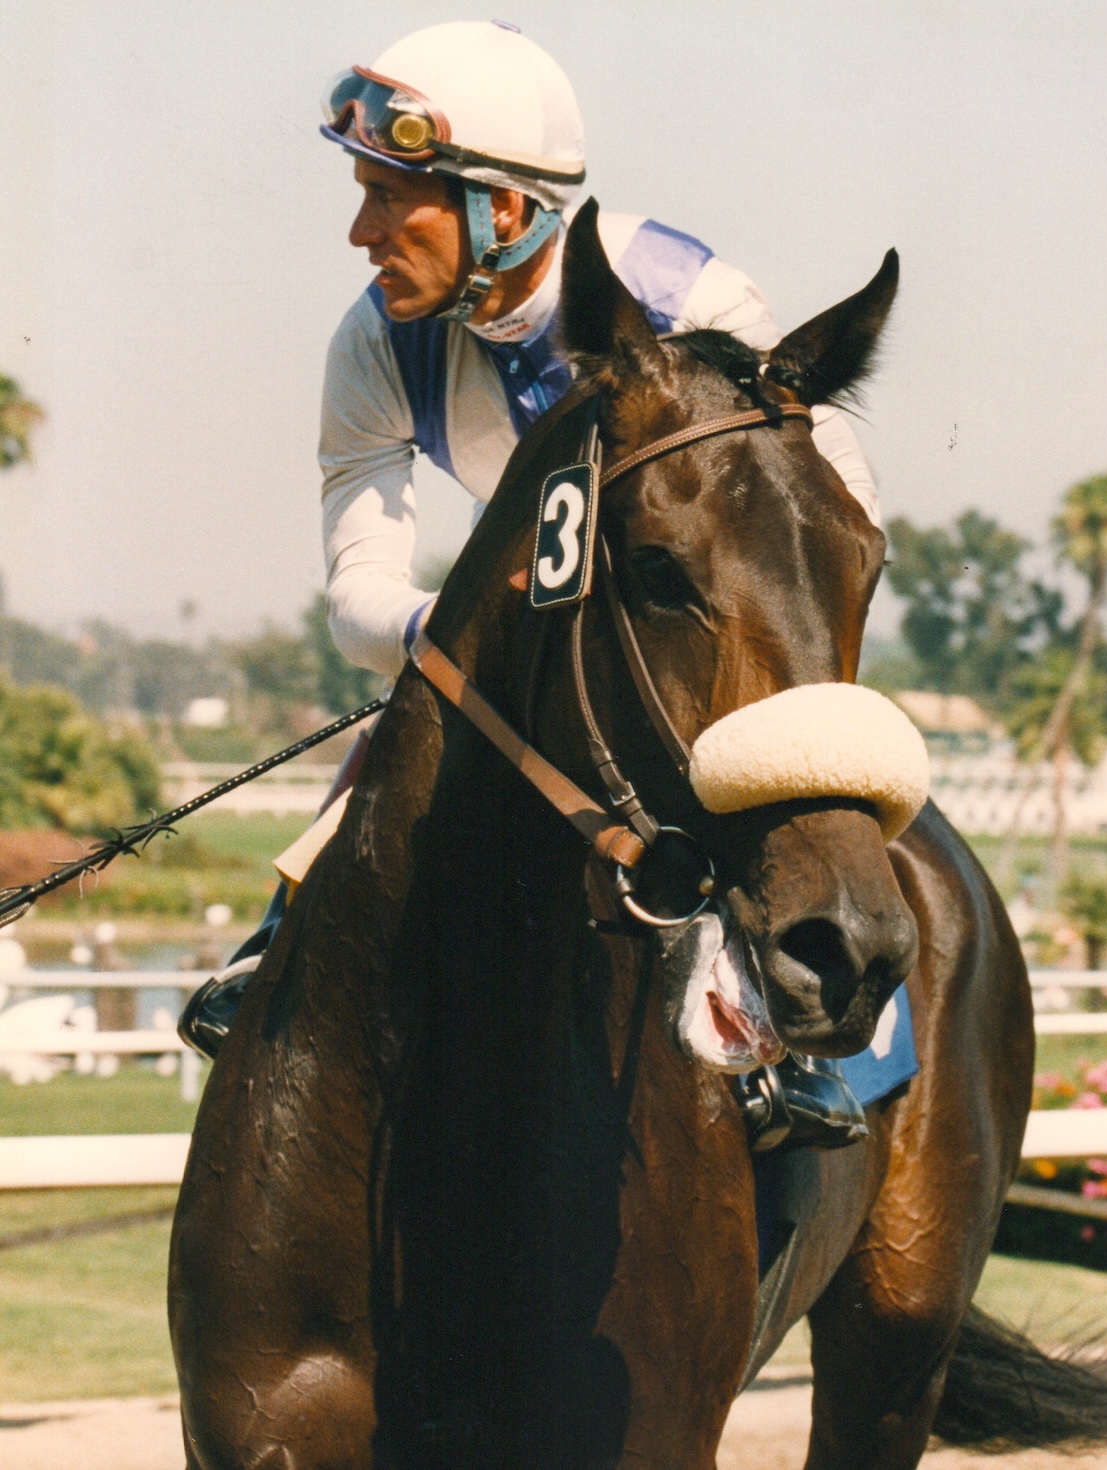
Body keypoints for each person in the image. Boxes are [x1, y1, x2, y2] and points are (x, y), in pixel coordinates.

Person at [180, 20, 879, 1147]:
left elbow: (829, 516)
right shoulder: (372, 347)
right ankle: (278, 949)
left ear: (499, 209)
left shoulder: (690, 295)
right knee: (420, 716)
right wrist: (477, 629)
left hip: (699, 646)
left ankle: (799, 1043)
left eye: (386, 196)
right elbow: (361, 597)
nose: (359, 233)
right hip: (518, 646)